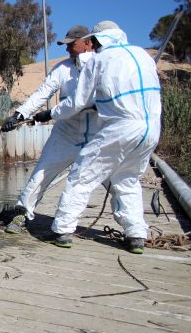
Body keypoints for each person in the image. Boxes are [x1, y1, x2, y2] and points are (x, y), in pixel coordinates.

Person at [38, 20, 161, 254]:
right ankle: (136, 234)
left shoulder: (98, 60)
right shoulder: (142, 55)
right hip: (152, 128)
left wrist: (50, 113)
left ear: (97, 41)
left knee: (81, 174)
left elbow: (77, 102)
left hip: (120, 126)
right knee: (127, 179)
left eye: (93, 42)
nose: (92, 46)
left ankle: (62, 229)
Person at [1, 25, 97, 235]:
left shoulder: (101, 66)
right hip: (66, 134)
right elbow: (42, 93)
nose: (68, 49)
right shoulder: (62, 69)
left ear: (88, 42)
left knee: (115, 181)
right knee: (40, 174)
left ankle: (134, 232)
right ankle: (22, 213)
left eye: (72, 44)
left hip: (98, 136)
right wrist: (20, 115)